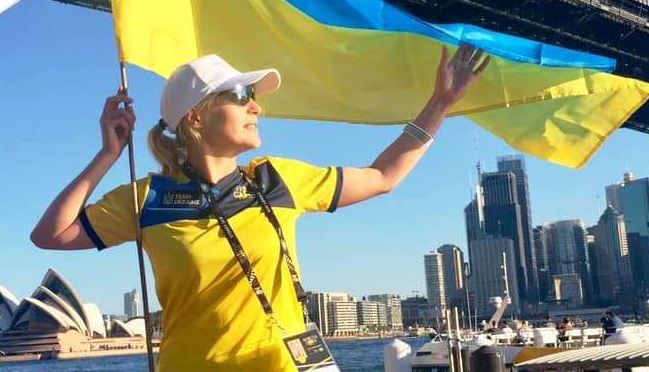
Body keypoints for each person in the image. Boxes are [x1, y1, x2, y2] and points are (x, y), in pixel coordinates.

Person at [30, 44, 490, 371]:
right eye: (241, 96)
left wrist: (440, 102)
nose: (256, 107)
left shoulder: (276, 180)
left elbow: (384, 176)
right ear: (196, 115)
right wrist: (107, 154)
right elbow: (50, 234)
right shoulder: (147, 198)